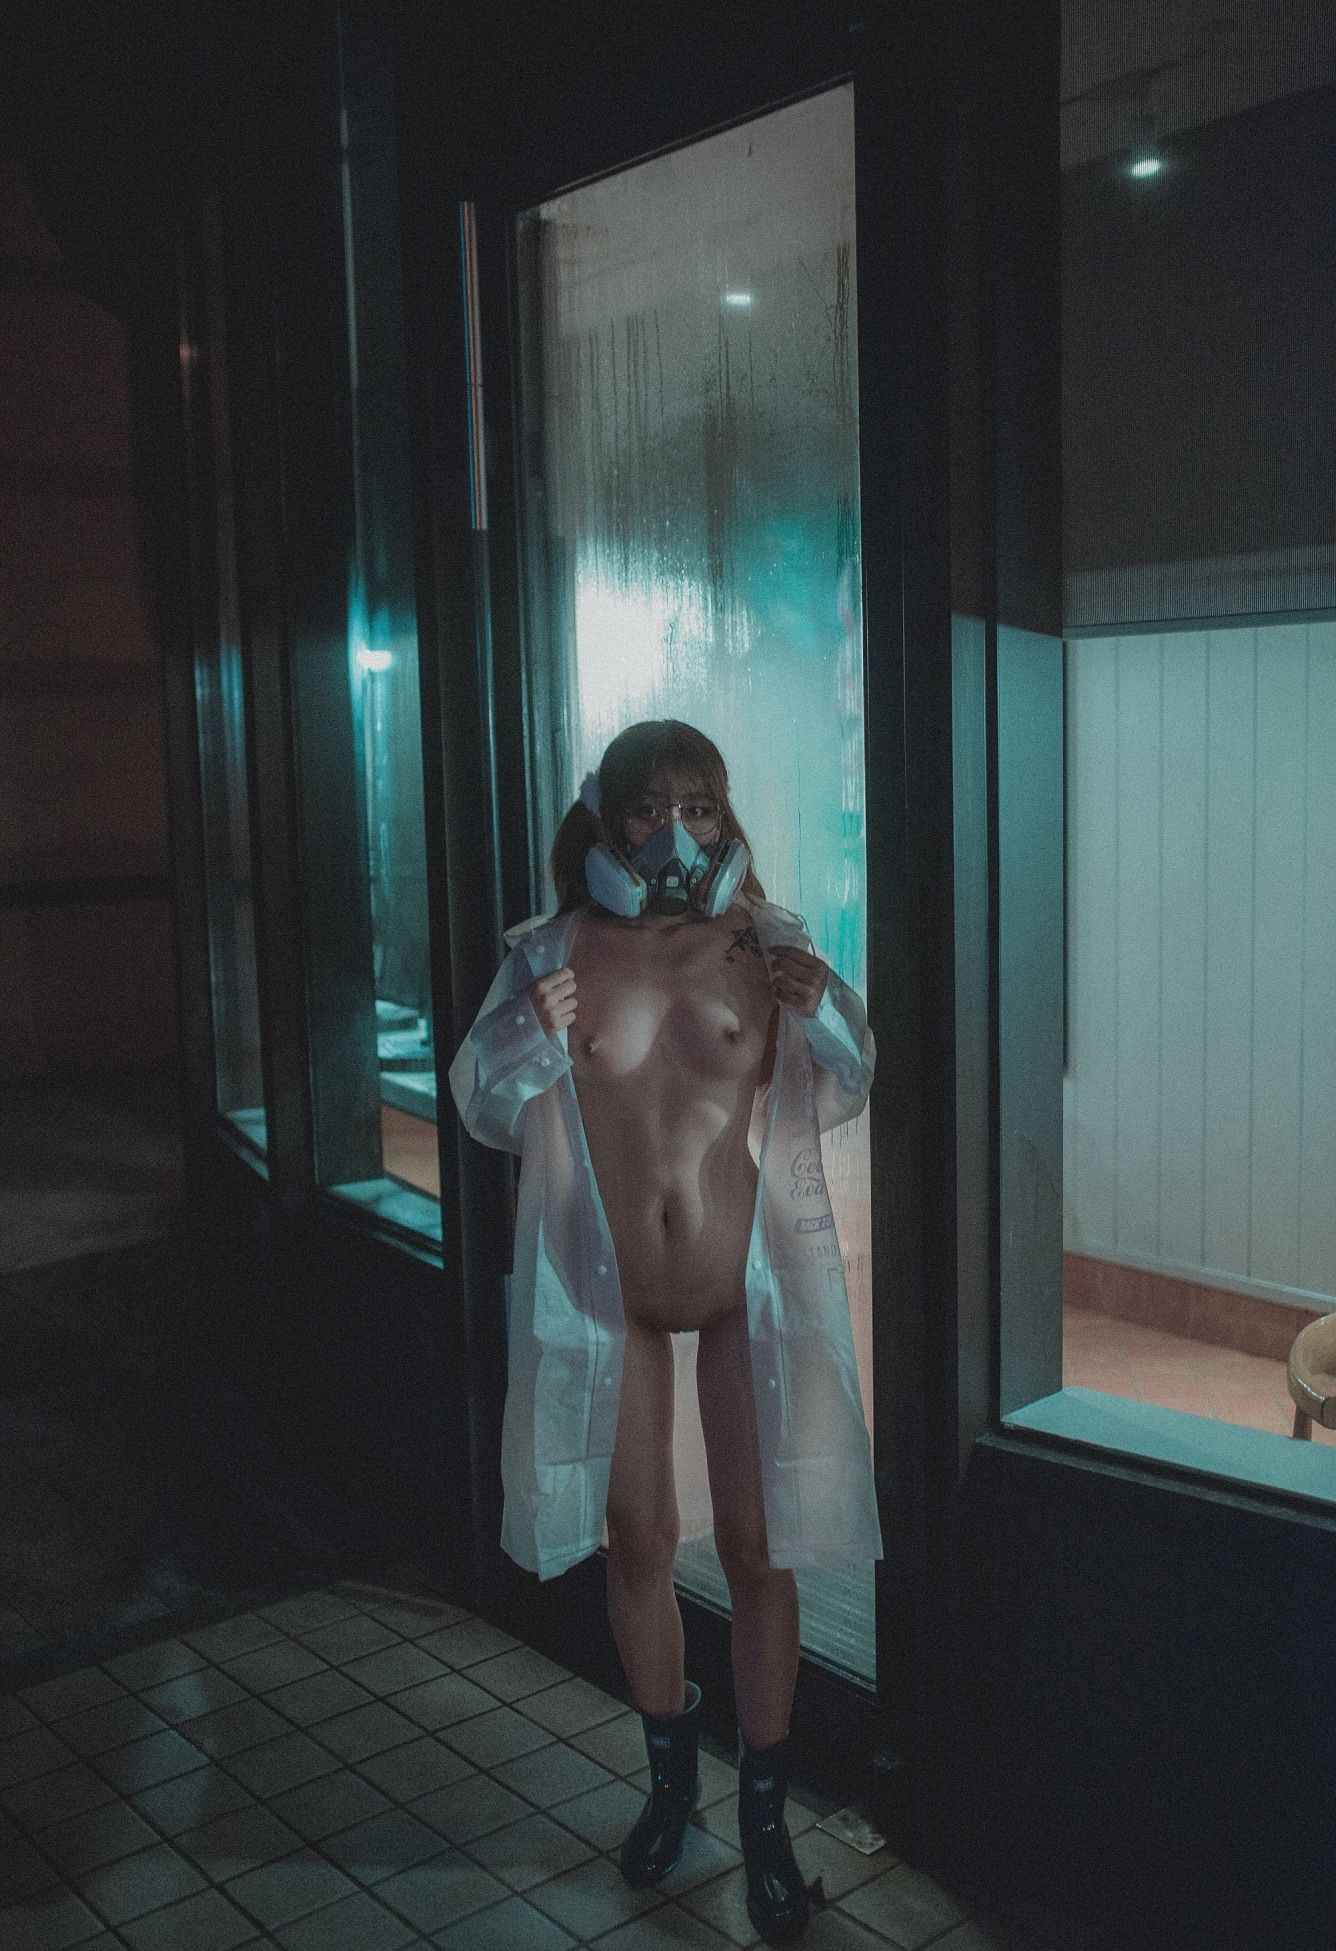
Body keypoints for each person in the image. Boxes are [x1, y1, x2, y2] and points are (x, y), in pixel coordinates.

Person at [449, 720, 880, 1944]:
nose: (674, 831)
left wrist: (824, 1009)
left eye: (697, 805)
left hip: (746, 1285)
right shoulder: (550, 951)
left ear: (725, 817)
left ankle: (765, 1823)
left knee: (757, 1544)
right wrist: (526, 1030)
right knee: (637, 1539)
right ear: (607, 820)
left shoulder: (768, 942)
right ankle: (669, 1783)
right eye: (648, 807)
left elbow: (848, 1081)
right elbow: (482, 1104)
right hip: (609, 1296)